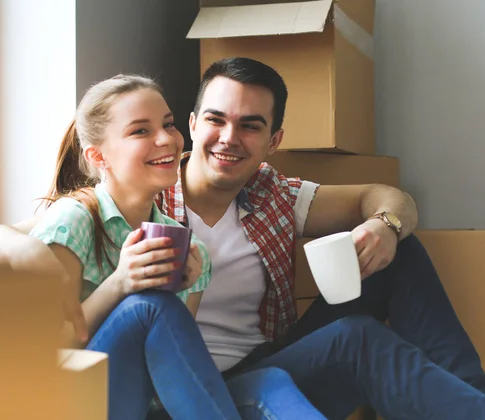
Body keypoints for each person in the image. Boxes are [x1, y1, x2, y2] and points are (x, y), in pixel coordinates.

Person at [149, 57, 485, 420]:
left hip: (271, 367)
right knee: (357, 340)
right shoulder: (148, 198)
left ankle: (476, 404)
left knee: (397, 248)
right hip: (197, 396)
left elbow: (388, 198)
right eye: (217, 120)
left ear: (273, 140)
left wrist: (384, 226)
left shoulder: (273, 194)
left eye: (250, 126)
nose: (229, 138)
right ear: (194, 124)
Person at [27, 74, 325, 420]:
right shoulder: (73, 221)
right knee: (150, 305)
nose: (166, 139)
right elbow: (39, 348)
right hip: (71, 403)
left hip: (148, 407)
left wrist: (186, 289)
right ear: (98, 156)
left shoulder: (185, 244)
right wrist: (121, 283)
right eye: (141, 131)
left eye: (168, 124)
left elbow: (177, 372)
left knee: (270, 381)